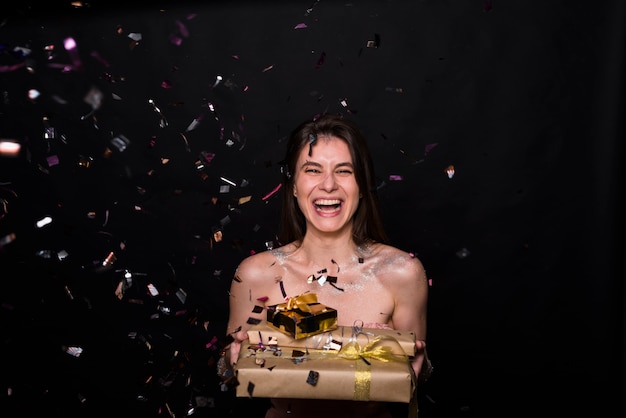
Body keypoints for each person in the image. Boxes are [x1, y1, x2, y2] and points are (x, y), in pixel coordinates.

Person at [222, 113, 432, 418]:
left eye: (344, 171)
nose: (329, 184)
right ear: (293, 186)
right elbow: (229, 374)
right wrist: (231, 359)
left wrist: (417, 365)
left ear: (362, 185)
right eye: (312, 170)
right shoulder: (255, 273)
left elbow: (415, 376)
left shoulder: (403, 272)